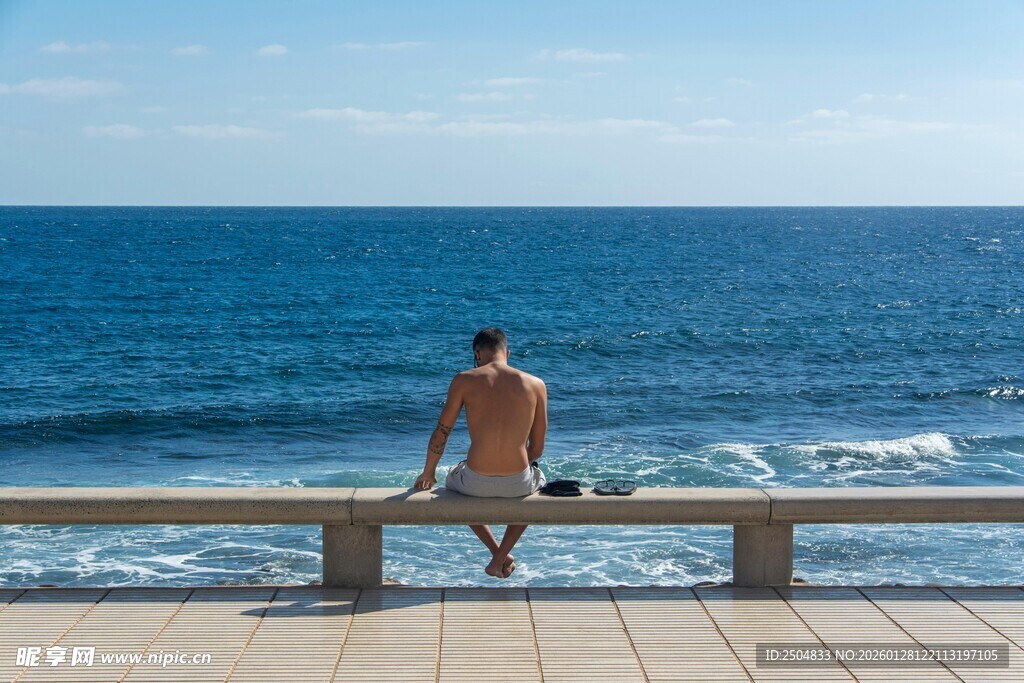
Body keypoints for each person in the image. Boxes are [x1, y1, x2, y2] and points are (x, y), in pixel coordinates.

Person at [413, 327, 548, 579]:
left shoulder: (464, 379)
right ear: (506, 352)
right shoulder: (536, 384)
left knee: (450, 486)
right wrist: (515, 466)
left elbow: (442, 432)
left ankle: (497, 552)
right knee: (537, 488)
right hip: (518, 482)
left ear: (477, 353)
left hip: (474, 480)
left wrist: (428, 472)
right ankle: (499, 557)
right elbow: (537, 448)